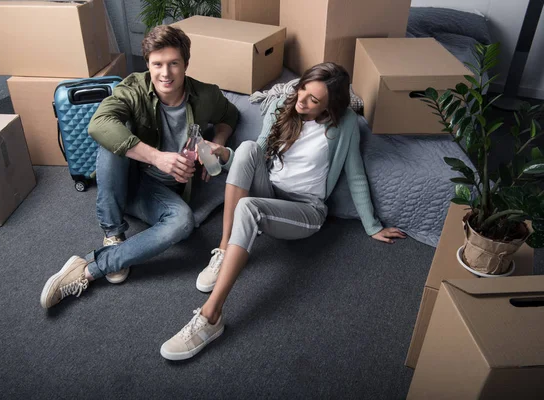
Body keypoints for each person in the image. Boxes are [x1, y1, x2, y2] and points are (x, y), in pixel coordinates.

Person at [159, 62, 406, 360]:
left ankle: (211, 317)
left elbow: (355, 174)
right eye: (302, 88)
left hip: (306, 210)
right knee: (249, 147)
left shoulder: (346, 124)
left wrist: (372, 225)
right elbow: (257, 154)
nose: (301, 99)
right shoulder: (283, 104)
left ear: (331, 106)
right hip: (270, 192)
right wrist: (224, 156)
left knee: (248, 208)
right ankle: (223, 250)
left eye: (313, 100)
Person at [40, 25, 238, 309]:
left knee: (184, 222)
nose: (165, 73)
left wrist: (214, 148)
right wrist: (158, 157)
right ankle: (112, 233)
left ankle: (88, 269)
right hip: (123, 177)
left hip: (157, 193)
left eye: (173, 64)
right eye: (157, 64)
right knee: (114, 136)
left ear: (186, 64)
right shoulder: (132, 88)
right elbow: (98, 124)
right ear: (147, 65)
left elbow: (229, 115)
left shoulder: (205, 95)